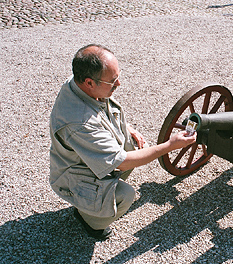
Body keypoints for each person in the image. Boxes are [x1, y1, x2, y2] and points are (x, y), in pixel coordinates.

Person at [49, 44, 196, 240]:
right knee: (125, 195)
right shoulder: (79, 123)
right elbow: (122, 161)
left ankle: (95, 198)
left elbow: (100, 113)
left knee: (131, 145)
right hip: (71, 176)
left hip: (83, 160)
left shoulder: (78, 85)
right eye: (112, 81)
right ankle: (89, 220)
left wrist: (127, 127)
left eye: (118, 76)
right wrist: (170, 145)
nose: (119, 84)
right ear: (89, 83)